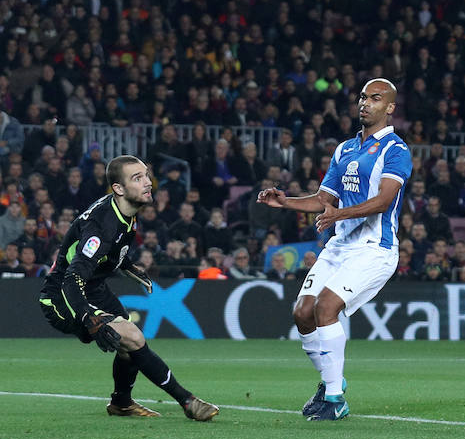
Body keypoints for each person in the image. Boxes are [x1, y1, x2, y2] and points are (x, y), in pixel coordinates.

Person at [257, 78, 411, 421]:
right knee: (302, 312)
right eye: (362, 97)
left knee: (326, 308)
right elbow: (322, 200)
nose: (365, 103)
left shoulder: (395, 150)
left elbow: (384, 201)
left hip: (375, 247)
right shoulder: (344, 149)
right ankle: (330, 383)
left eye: (374, 98)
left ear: (389, 108)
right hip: (341, 244)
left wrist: (337, 214)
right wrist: (286, 203)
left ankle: (335, 398)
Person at [37, 155, 218, 420]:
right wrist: (89, 316)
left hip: (93, 287)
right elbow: (71, 277)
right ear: (118, 189)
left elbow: (112, 249)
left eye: (146, 175)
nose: (148, 183)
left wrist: (128, 266)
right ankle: (188, 402)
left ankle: (121, 403)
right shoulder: (101, 227)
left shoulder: (125, 211)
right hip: (63, 296)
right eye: (138, 178)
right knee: (132, 336)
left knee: (128, 343)